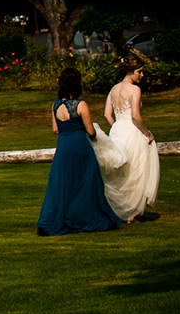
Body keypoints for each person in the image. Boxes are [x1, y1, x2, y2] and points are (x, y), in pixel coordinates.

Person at [36, 67, 120, 235]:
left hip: (63, 146)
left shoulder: (55, 104)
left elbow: (55, 129)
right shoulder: (81, 105)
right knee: (87, 180)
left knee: (63, 183)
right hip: (79, 145)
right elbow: (90, 131)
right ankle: (87, 217)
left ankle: (60, 218)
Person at [101, 58, 159, 222]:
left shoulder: (113, 89)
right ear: (130, 71)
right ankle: (132, 211)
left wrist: (116, 127)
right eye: (139, 71)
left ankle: (123, 209)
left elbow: (107, 114)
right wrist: (147, 133)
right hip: (132, 130)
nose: (142, 74)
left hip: (118, 130)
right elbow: (135, 116)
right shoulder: (134, 89)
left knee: (122, 172)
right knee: (136, 169)